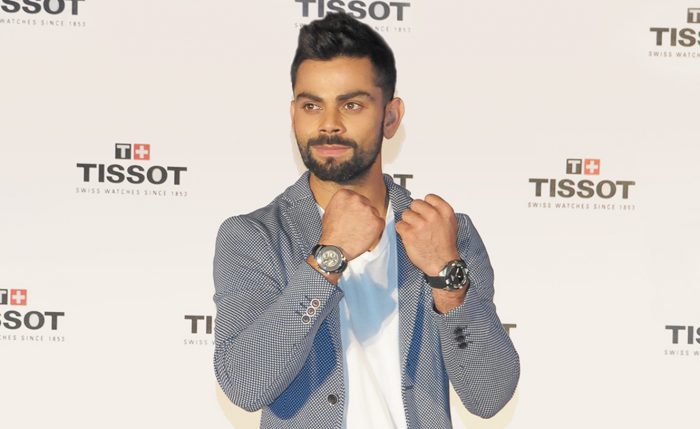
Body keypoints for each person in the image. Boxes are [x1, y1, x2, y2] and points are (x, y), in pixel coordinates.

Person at [213, 12, 519, 429]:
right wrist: (327, 258)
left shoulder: (446, 234)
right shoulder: (254, 236)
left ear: (390, 117)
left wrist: (448, 279)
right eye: (311, 105)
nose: (329, 124)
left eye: (351, 105)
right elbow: (246, 386)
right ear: (293, 115)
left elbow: (489, 395)